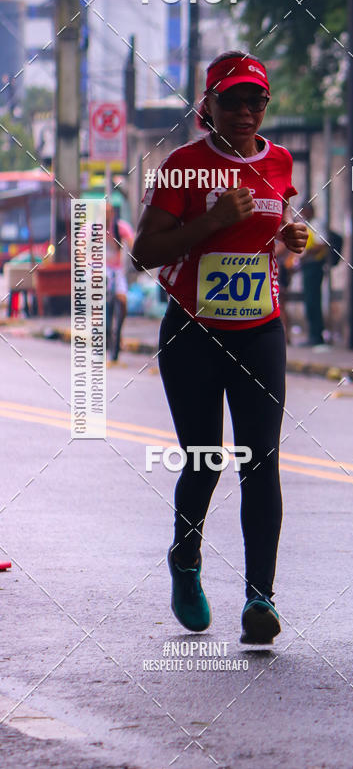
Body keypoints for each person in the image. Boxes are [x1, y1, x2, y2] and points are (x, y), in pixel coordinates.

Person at [132, 51, 308, 644]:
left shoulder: (279, 161)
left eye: (255, 100)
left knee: (261, 461)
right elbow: (144, 252)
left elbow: (269, 229)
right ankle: (185, 562)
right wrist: (211, 221)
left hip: (260, 330)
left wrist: (289, 235)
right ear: (208, 105)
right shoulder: (183, 166)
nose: (244, 111)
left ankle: (261, 597)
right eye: (230, 100)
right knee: (205, 459)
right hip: (193, 333)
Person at [105, 203, 134, 365]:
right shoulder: (91, 229)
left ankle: (119, 332)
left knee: (122, 301)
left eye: (108, 212)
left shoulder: (120, 227)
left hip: (117, 270)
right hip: (98, 269)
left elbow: (132, 243)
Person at [297, 202, 329, 347]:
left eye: (303, 212)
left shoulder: (317, 224)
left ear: (309, 211)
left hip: (314, 266)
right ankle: (312, 334)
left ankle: (316, 336)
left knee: (313, 301)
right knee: (309, 301)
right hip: (307, 266)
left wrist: (305, 254)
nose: (302, 215)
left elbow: (321, 244)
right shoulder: (308, 224)